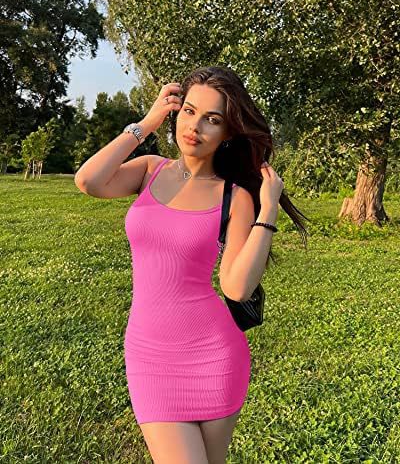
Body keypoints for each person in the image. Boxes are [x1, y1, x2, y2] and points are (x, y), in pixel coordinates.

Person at [74, 66, 308, 464]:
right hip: (149, 355)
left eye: (212, 119)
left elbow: (236, 287)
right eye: (189, 111)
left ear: (228, 132)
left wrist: (268, 210)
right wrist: (147, 123)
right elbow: (89, 181)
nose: (194, 127)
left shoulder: (235, 197)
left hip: (213, 356)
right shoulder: (150, 170)